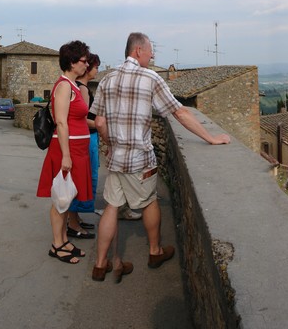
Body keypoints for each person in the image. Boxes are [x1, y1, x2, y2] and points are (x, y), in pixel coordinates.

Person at [89, 32, 230, 282]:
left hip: (115, 159)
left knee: (111, 207)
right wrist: (210, 138)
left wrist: (110, 144)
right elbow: (179, 112)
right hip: (140, 159)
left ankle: (100, 265)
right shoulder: (150, 78)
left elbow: (99, 122)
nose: (153, 55)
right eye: (150, 51)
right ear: (138, 51)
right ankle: (154, 252)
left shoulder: (107, 79)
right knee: (150, 201)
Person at [36, 40, 94, 264]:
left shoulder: (72, 85)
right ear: (71, 62)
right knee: (60, 198)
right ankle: (56, 244)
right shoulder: (63, 86)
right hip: (66, 150)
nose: (86, 65)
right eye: (83, 61)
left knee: (67, 197)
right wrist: (67, 155)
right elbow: (61, 122)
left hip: (76, 149)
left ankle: (62, 240)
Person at [65, 53, 101, 239]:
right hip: (86, 139)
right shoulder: (82, 89)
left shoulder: (80, 87)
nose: (97, 70)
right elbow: (82, 120)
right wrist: (102, 125)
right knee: (81, 179)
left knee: (80, 179)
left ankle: (75, 218)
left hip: (85, 139)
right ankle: (72, 223)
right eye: (95, 67)